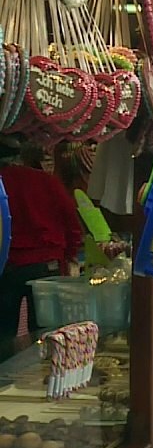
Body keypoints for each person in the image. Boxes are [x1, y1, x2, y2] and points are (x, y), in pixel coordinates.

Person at [0, 141, 82, 359]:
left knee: (4, 332)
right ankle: (44, 375)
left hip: (9, 265)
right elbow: (72, 222)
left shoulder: (2, 182)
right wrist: (69, 255)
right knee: (47, 331)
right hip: (47, 265)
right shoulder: (47, 181)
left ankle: (5, 380)